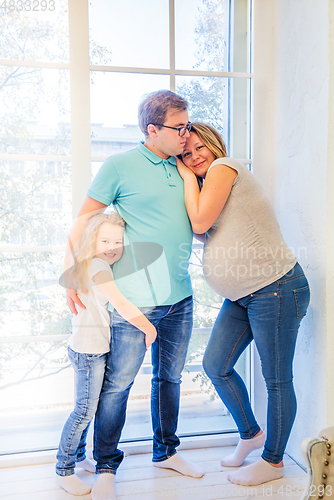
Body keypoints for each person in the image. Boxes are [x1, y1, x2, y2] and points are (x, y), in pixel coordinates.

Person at [64, 91, 205, 500]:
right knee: (118, 386)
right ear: (153, 129)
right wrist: (73, 273)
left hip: (180, 296)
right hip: (134, 301)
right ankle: (106, 464)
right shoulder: (120, 166)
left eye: (188, 126)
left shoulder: (182, 166)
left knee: (170, 379)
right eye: (180, 128)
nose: (186, 135)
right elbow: (83, 221)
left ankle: (166, 452)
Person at [176, 122, 310, 486]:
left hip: (276, 288)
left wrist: (187, 177)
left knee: (277, 380)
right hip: (243, 296)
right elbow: (201, 230)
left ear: (214, 144)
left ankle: (273, 462)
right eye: (186, 154)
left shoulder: (223, 168)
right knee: (216, 365)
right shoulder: (208, 185)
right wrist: (192, 182)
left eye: (199, 147)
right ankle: (251, 434)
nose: (194, 156)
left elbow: (200, 221)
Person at [56, 212, 157, 496]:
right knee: (84, 411)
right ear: (92, 240)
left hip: (90, 348)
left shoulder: (91, 264)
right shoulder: (99, 266)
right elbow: (121, 303)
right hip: (88, 352)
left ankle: (77, 457)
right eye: (105, 240)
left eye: (118, 241)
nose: (112, 246)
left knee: (89, 408)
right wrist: (148, 327)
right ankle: (63, 470)